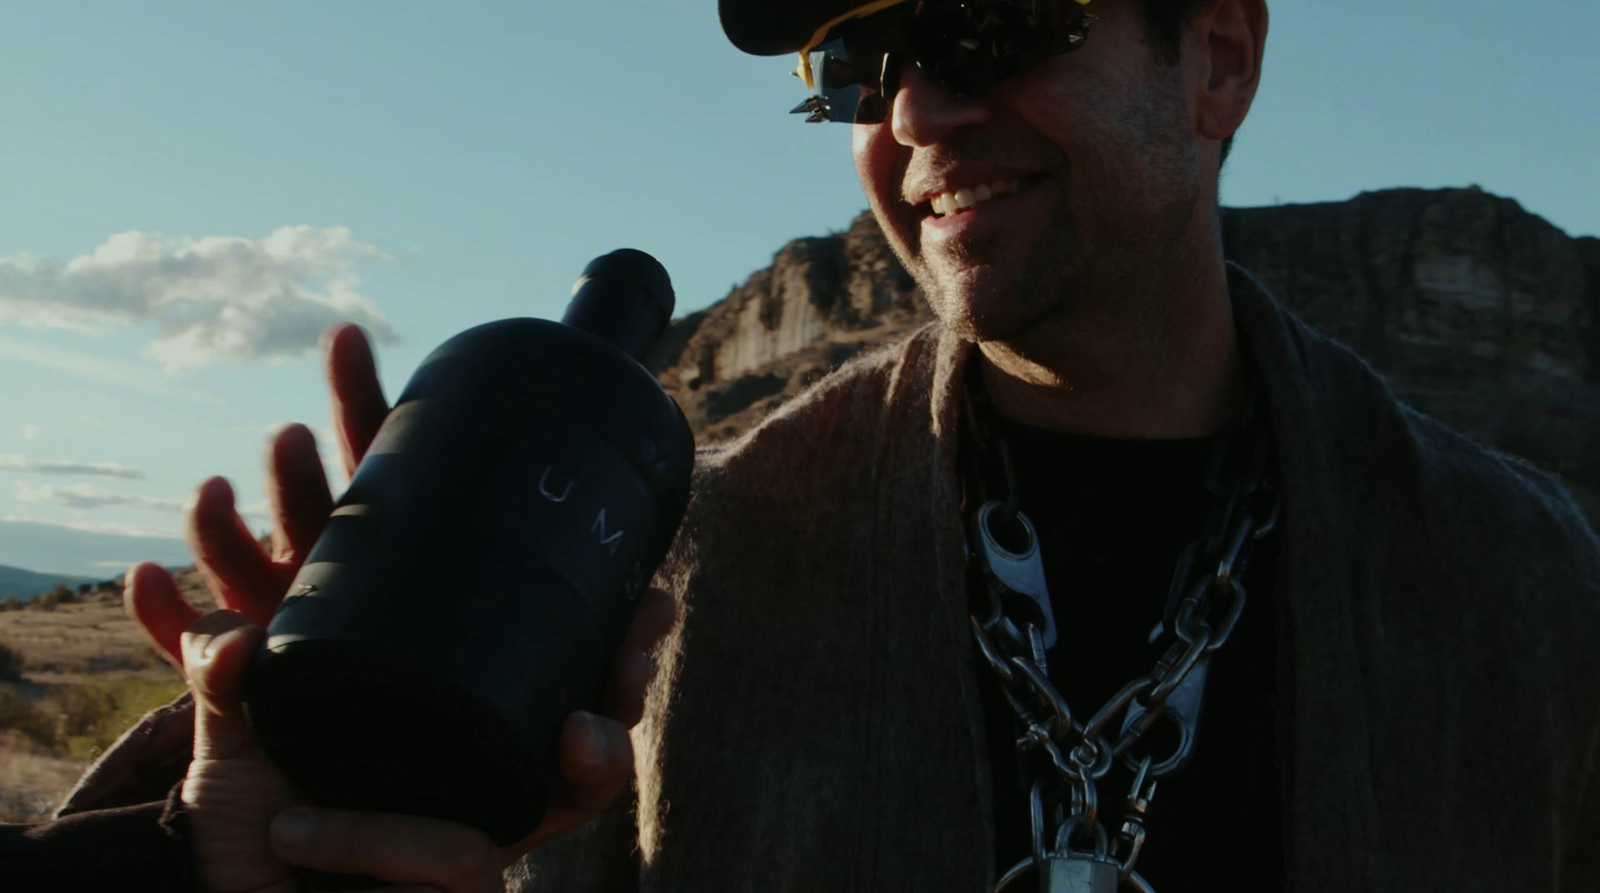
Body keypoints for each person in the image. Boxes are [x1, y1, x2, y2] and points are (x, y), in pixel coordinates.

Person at [7, 0, 1599, 890]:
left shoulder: (1524, 589)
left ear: (1220, 60)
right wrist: (249, 849)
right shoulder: (662, 587)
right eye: (858, 58)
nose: (912, 116)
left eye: (989, 15)